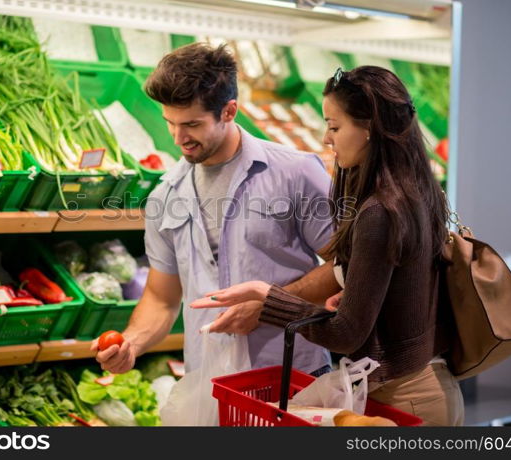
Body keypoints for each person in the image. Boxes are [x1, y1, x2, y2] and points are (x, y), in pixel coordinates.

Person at [191, 66, 464, 426]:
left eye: (334, 127)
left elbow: (346, 335)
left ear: (369, 129)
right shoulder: (417, 192)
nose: (326, 139)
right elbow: (403, 288)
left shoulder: (379, 212)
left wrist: (267, 297)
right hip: (425, 384)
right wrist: (354, 292)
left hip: (406, 399)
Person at [92, 42, 334, 376]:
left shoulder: (295, 172)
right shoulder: (165, 195)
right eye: (170, 123)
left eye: (191, 124)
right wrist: (131, 343)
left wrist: (270, 305)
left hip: (291, 374)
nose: (178, 138)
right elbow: (162, 299)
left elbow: (345, 266)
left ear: (229, 111)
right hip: (211, 379)